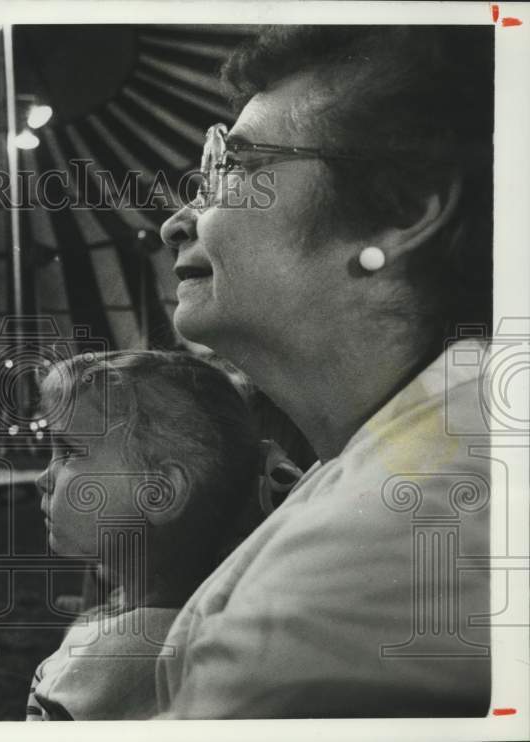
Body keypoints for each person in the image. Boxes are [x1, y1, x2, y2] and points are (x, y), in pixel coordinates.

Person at [157, 26, 493, 717]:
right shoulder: (421, 430)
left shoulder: (364, 569)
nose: (176, 223)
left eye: (236, 168)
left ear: (401, 213)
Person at [26, 351, 260, 720]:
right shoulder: (198, 628)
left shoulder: (103, 672)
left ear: (160, 492)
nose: (45, 478)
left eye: (69, 451)